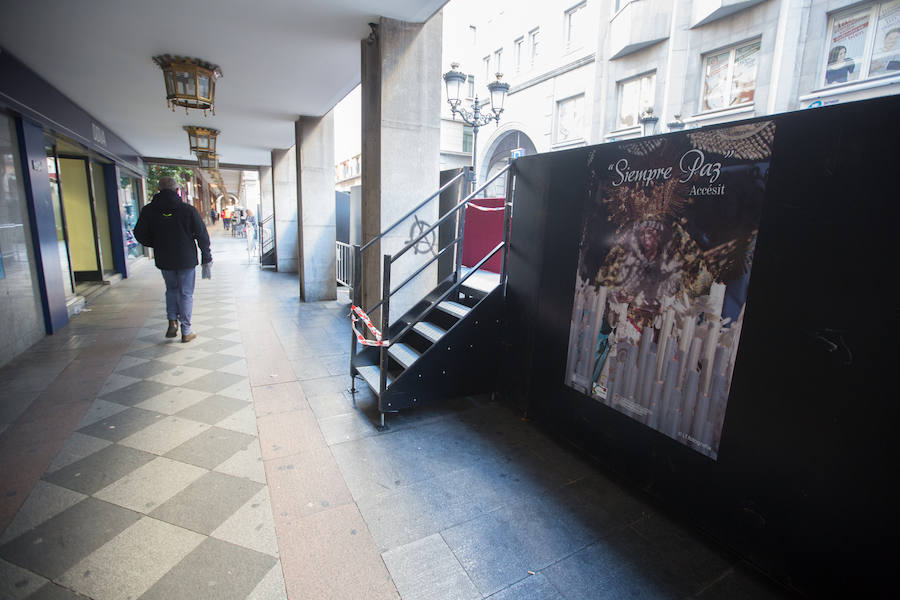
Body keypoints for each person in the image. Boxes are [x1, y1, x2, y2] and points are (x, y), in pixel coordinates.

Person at [132, 176, 211, 343]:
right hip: (186, 258)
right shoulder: (188, 210)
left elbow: (139, 233)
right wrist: (206, 256)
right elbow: (202, 235)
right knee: (186, 293)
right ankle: (186, 330)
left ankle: (172, 321)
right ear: (177, 190)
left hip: (164, 258)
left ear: (158, 190)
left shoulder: (149, 210)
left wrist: (155, 243)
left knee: (172, 289)